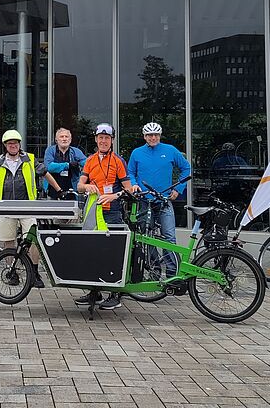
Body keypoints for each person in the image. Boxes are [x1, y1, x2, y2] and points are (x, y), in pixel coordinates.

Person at [0, 129, 62, 289]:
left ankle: (34, 273)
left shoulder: (29, 159)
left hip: (28, 206)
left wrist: (58, 190)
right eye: (10, 143)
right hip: (6, 208)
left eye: (15, 143)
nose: (13, 145)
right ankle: (12, 271)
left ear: (19, 144)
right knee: (8, 241)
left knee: (33, 240)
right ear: (5, 146)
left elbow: (45, 173)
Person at [75, 122, 132, 310]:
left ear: (112, 140)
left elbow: (128, 189)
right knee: (93, 251)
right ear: (96, 140)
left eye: (107, 138)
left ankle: (116, 294)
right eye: (101, 138)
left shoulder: (118, 161)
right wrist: (87, 186)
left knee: (113, 252)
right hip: (94, 212)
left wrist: (112, 195)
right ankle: (95, 292)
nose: (104, 141)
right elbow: (79, 185)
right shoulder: (90, 160)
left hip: (113, 212)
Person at [127, 122, 191, 278]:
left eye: (156, 135)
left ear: (160, 136)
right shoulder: (137, 153)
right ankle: (154, 272)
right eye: (149, 135)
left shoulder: (170, 150)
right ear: (144, 136)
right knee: (147, 238)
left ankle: (172, 274)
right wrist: (134, 185)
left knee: (169, 236)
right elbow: (130, 172)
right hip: (144, 201)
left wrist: (178, 189)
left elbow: (186, 168)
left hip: (163, 200)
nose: (153, 137)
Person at [43, 127, 86, 199]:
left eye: (67, 137)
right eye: (61, 136)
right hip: (53, 189)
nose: (64, 139)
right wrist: (67, 165)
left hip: (72, 188)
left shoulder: (76, 151)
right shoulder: (50, 150)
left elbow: (87, 164)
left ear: (70, 139)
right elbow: (48, 167)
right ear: (56, 140)